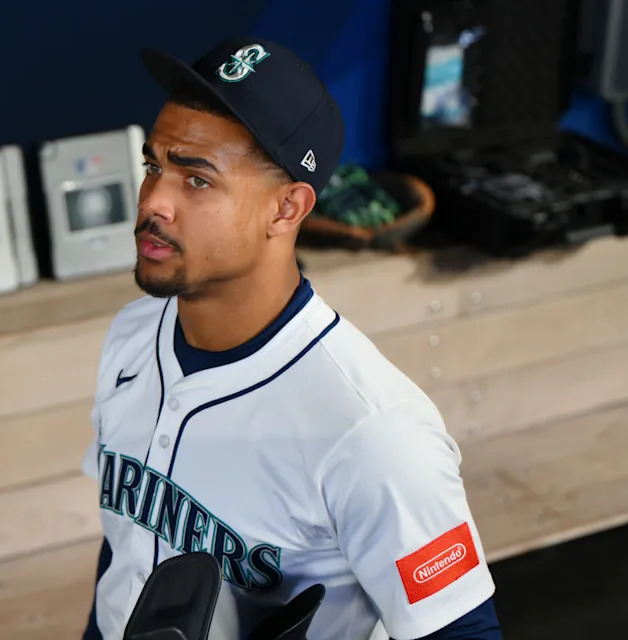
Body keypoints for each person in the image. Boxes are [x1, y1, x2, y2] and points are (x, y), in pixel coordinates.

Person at [80, 36, 502, 640]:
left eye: (196, 180)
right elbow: (124, 549)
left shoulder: (373, 432)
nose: (154, 201)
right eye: (154, 166)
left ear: (287, 209)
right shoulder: (131, 335)